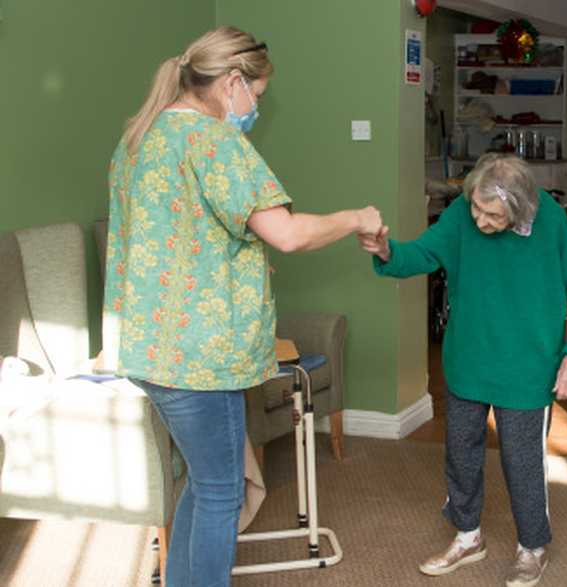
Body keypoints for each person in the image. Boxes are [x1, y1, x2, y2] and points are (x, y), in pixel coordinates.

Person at [103, 26, 382, 587]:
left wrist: (236, 264)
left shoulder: (141, 137)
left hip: (151, 348)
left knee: (202, 486)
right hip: (199, 358)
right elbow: (288, 233)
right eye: (256, 94)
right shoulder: (214, 141)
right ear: (232, 82)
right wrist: (358, 217)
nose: (255, 107)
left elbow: (176, 235)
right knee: (221, 494)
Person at [357, 153, 567, 587]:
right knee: (460, 454)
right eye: (475, 208)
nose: (478, 219)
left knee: (521, 463)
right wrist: (388, 251)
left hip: (528, 366)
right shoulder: (462, 213)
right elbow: (424, 253)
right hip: (469, 358)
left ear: (521, 208)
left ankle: (532, 547)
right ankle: (468, 536)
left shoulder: (550, 221)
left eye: (491, 214)